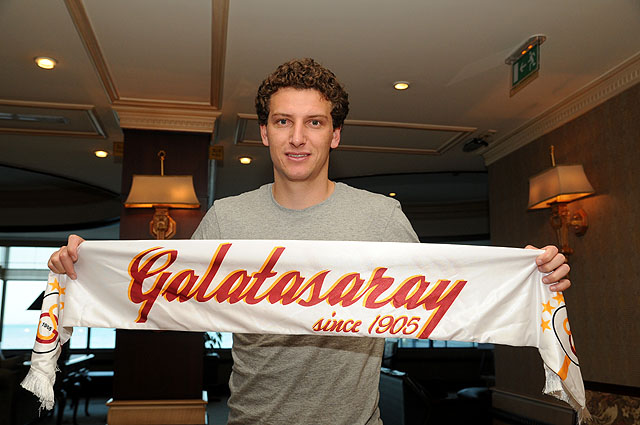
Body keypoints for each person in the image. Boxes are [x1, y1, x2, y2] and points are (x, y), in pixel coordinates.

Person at [48, 58, 570, 424]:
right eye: (284, 122)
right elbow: (167, 298)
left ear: (334, 134)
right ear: (264, 132)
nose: (298, 137)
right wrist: (83, 272)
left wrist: (527, 278)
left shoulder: (381, 217)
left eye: (314, 123)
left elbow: (449, 295)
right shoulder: (227, 219)